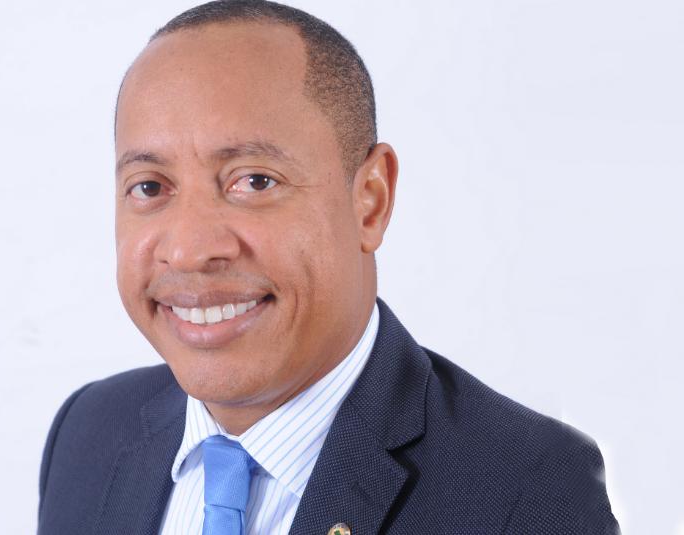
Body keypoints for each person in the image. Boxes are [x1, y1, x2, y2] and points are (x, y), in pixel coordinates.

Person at [37, 1, 619, 533]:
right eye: (149, 186)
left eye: (254, 181)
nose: (189, 250)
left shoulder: (531, 493)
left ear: (370, 200)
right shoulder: (86, 434)